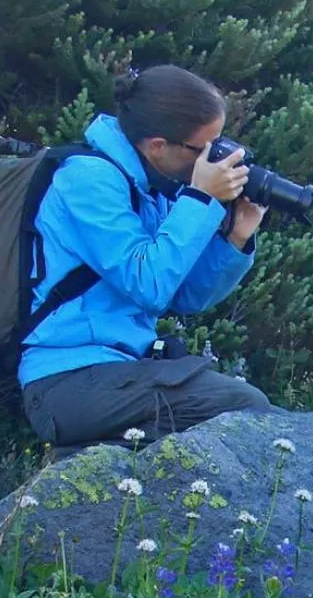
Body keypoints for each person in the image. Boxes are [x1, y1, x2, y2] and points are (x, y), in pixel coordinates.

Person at [18, 64, 278, 449]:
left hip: (118, 374)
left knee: (196, 441)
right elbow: (148, 283)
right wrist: (201, 198)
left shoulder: (150, 187)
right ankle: (85, 463)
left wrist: (236, 238)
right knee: (243, 406)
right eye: (203, 149)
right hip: (66, 381)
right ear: (158, 145)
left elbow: (184, 297)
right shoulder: (89, 180)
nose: (214, 159)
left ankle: (85, 464)